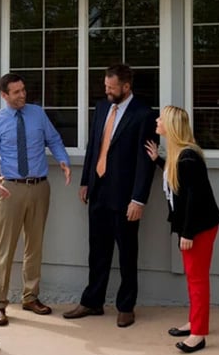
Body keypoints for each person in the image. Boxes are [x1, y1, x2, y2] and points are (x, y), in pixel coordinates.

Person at [63, 64, 157, 328]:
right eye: (105, 86)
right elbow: (95, 145)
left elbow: (144, 162)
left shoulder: (143, 114)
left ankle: (126, 306)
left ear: (126, 87)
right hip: (99, 190)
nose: (107, 91)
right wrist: (85, 182)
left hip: (126, 197)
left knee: (127, 253)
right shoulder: (102, 108)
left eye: (111, 88)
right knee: (97, 251)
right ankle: (92, 301)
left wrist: (138, 199)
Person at [0, 73, 71, 327]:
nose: (22, 95)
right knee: (5, 248)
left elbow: (53, 139)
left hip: (40, 186)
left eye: (23, 90)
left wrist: (63, 159)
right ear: (4, 95)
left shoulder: (37, 114)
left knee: (35, 244)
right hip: (10, 188)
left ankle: (30, 297)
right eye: (16, 92)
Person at [146, 105, 219, 355]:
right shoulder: (179, 155)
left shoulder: (189, 158)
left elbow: (194, 198)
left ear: (170, 126)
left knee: (198, 280)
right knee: (193, 278)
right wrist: (157, 160)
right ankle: (196, 321)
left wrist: (188, 233)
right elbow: (177, 182)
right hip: (192, 226)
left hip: (198, 228)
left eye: (161, 118)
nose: (156, 120)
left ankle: (198, 335)